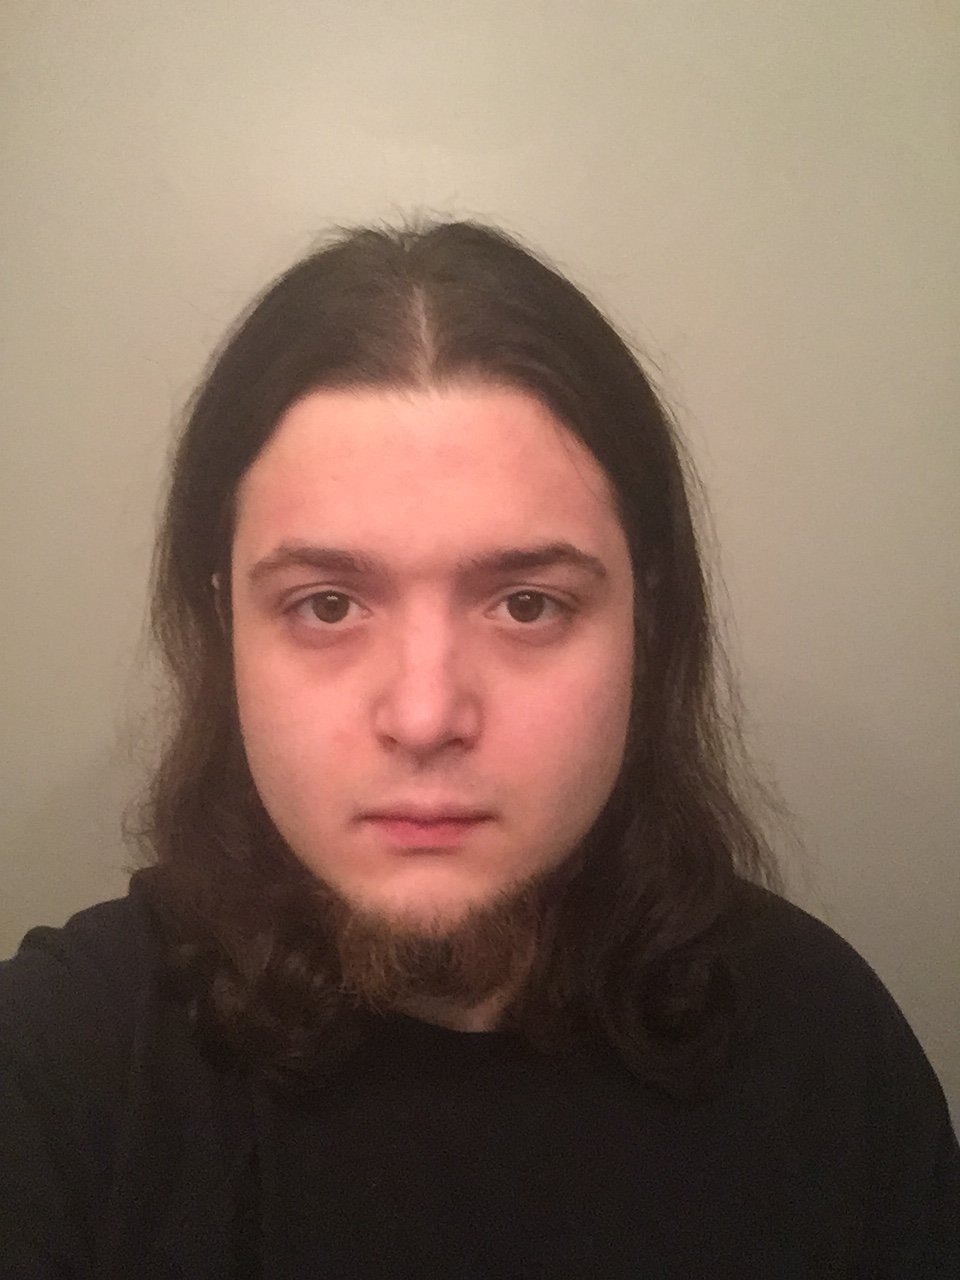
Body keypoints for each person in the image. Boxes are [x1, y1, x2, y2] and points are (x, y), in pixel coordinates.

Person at [1, 219, 956, 1278]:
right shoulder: (60, 1066)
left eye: (527, 604)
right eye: (327, 604)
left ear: (646, 619)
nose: (424, 716)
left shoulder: (825, 1049)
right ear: (225, 618)